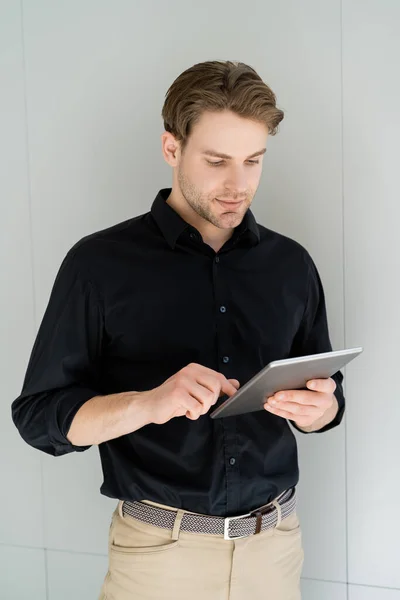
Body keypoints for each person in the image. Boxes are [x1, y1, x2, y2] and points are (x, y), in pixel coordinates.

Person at [11, 60, 345, 600]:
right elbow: (38, 418)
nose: (238, 185)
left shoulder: (291, 265)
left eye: (253, 161)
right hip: (159, 561)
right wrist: (147, 403)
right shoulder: (99, 265)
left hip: (276, 551)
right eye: (217, 161)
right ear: (172, 149)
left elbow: (327, 398)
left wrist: (321, 410)